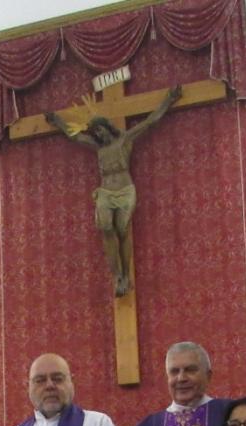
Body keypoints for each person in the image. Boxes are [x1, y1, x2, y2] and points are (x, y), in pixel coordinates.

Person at [45, 87, 181, 296]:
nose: (98, 134)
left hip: (125, 190)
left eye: (100, 130)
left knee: (122, 229)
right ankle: (117, 274)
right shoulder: (98, 148)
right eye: (96, 132)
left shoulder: (124, 139)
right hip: (106, 192)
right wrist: (57, 121)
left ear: (107, 128)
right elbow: (75, 137)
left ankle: (126, 274)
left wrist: (168, 101)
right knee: (106, 227)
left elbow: (150, 122)